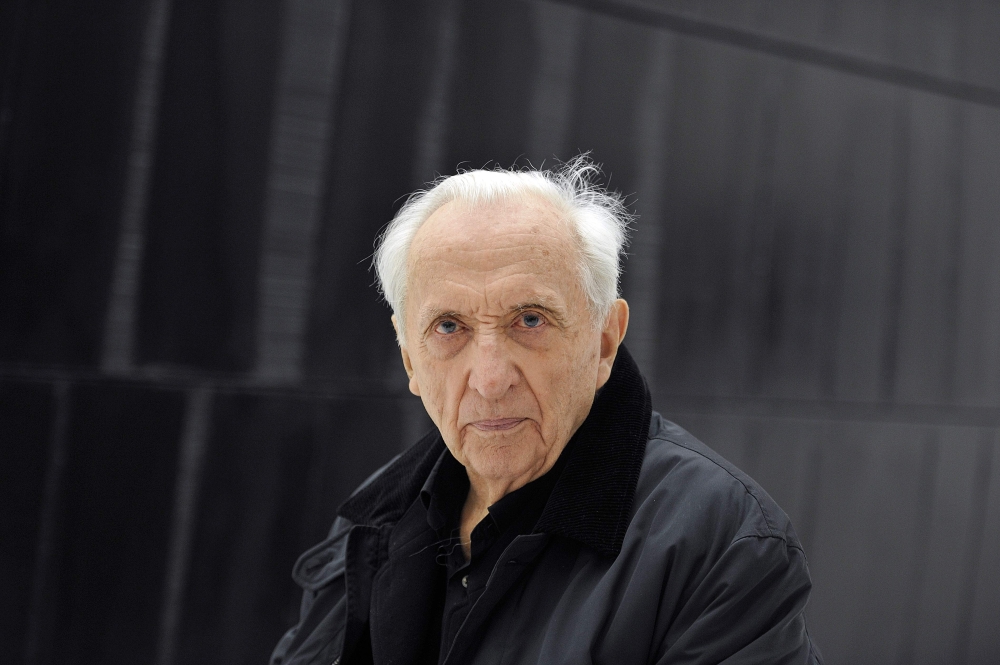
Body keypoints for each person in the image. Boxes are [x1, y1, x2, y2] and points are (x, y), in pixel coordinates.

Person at [270, 157, 823, 665]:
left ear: (605, 340)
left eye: (529, 320)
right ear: (410, 357)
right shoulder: (372, 518)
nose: (489, 380)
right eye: (449, 327)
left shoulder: (721, 539)